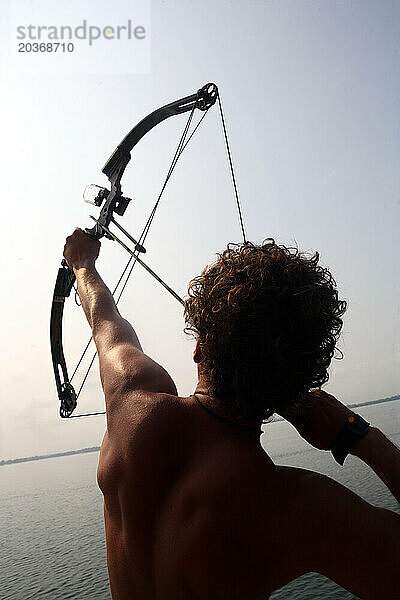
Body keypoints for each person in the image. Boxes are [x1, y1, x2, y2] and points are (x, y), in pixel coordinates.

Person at [63, 229, 400, 600]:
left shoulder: (131, 401)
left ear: (198, 347)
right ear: (299, 382)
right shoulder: (300, 506)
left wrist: (82, 263)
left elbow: (104, 317)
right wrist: (363, 438)